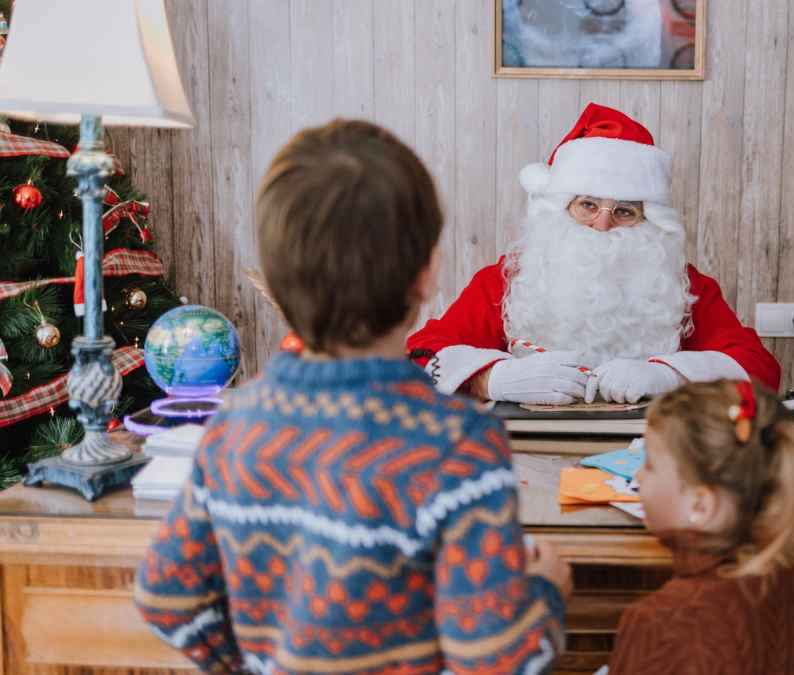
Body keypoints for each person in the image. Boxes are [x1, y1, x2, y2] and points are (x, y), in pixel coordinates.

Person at [134, 120, 571, 674]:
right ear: (427, 273)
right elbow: (501, 664)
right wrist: (546, 594)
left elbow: (166, 597)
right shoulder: (460, 446)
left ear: (275, 279)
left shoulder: (234, 424)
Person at [407, 103, 780, 405]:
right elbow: (420, 356)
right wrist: (492, 379)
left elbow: (760, 369)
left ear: (648, 220)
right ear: (562, 207)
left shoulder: (680, 287)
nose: (602, 225)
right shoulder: (510, 280)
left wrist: (671, 375)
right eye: (588, 205)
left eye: (624, 211)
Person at [606, 380, 794, 674]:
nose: (638, 476)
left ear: (700, 506)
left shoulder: (660, 624)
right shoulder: (790, 580)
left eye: (650, 464)